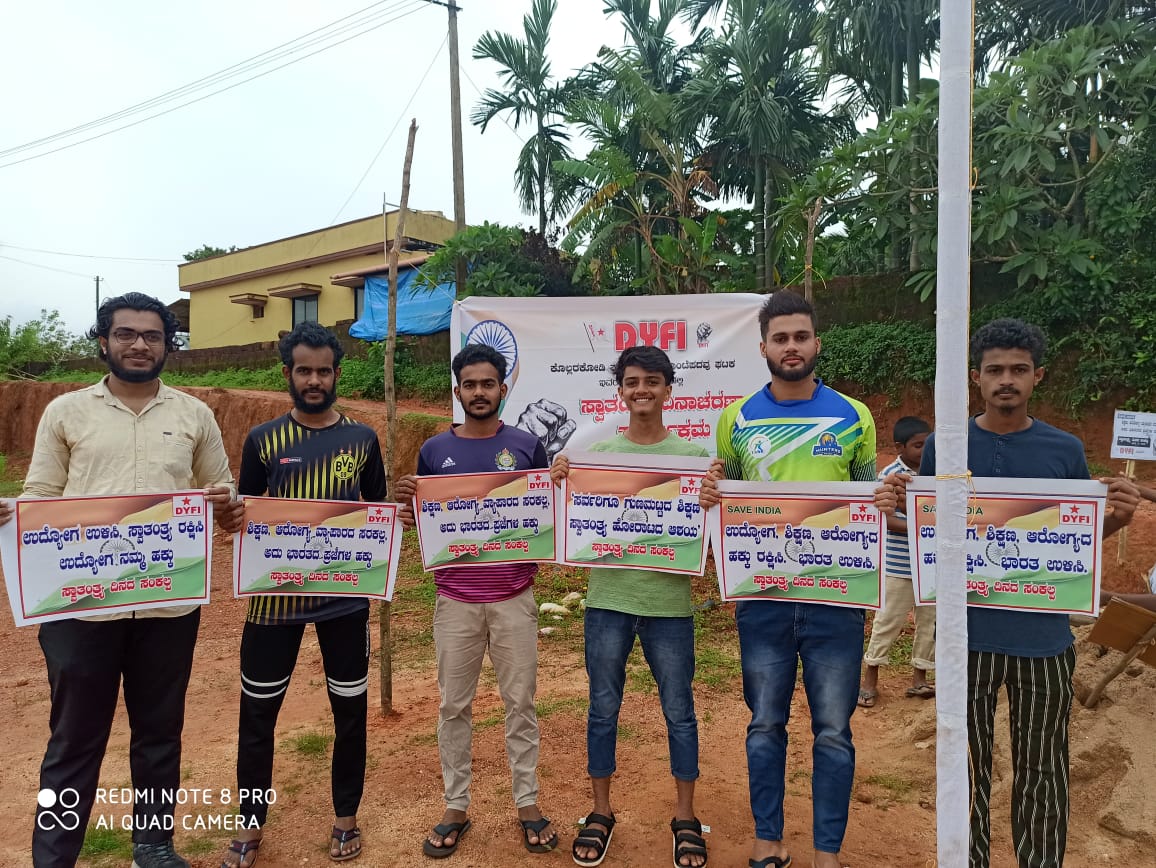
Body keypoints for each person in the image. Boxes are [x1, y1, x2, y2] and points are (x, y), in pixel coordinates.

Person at [881, 318, 1139, 868]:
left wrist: (1115, 520)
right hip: (964, 641)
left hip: (1043, 641)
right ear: (975, 377)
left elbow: (1070, 543)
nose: (1006, 380)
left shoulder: (1064, 450)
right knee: (964, 764)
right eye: (994, 369)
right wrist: (895, 509)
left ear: (1037, 376)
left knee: (1043, 766)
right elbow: (934, 533)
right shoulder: (946, 448)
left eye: (1018, 370)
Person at [0, 293, 235, 868]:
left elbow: (223, 493)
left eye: (152, 336)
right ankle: (54, 856)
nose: (139, 345)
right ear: (103, 341)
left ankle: (153, 847)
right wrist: (13, 516)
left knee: (160, 733)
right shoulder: (66, 413)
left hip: (168, 607)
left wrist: (226, 504)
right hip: (82, 610)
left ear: (168, 345)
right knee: (73, 739)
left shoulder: (195, 416)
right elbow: (40, 497)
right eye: (126, 334)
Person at [699, 291, 877, 868]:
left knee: (834, 730)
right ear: (763, 348)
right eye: (781, 338)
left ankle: (827, 852)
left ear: (817, 343)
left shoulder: (855, 416)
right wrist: (710, 495)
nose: (791, 347)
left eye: (801, 336)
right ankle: (768, 840)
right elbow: (725, 500)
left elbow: (870, 503)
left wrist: (887, 500)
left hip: (836, 601)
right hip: (764, 600)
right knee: (764, 725)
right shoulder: (736, 419)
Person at [215, 323, 386, 866]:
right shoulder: (263, 440)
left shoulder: (363, 439)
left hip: (345, 600)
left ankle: (345, 818)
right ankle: (249, 825)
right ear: (287, 373)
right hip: (274, 603)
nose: (315, 380)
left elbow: (377, 513)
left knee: (350, 713)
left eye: (324, 371)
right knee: (257, 716)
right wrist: (232, 518)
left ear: (337, 374)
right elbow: (246, 511)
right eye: (304, 371)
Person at [395, 344, 558, 859]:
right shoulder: (434, 451)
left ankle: (527, 802)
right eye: (470, 384)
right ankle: (456, 805)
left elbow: (545, 513)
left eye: (488, 383)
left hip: (514, 598)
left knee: (521, 704)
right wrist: (408, 509)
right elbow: (427, 520)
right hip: (455, 602)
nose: (479, 392)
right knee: (453, 706)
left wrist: (559, 489)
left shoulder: (528, 447)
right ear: (458, 390)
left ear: (503, 389)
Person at [550, 346, 709, 868]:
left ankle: (685, 817)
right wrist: (560, 477)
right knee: (602, 708)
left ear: (668, 389)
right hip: (608, 602)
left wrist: (712, 497)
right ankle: (600, 812)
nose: (643, 390)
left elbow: (711, 526)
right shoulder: (597, 455)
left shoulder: (694, 459)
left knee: (680, 712)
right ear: (620, 390)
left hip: (670, 606)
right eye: (633, 381)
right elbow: (568, 510)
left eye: (653, 381)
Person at [859, 416, 934, 708]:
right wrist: (925, 528)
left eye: (928, 444)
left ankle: (919, 678)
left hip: (931, 566)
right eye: (918, 445)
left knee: (929, 623)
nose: (925, 450)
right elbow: (886, 519)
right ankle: (870, 679)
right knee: (887, 621)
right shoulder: (890, 475)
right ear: (900, 447)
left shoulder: (938, 473)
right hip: (899, 566)